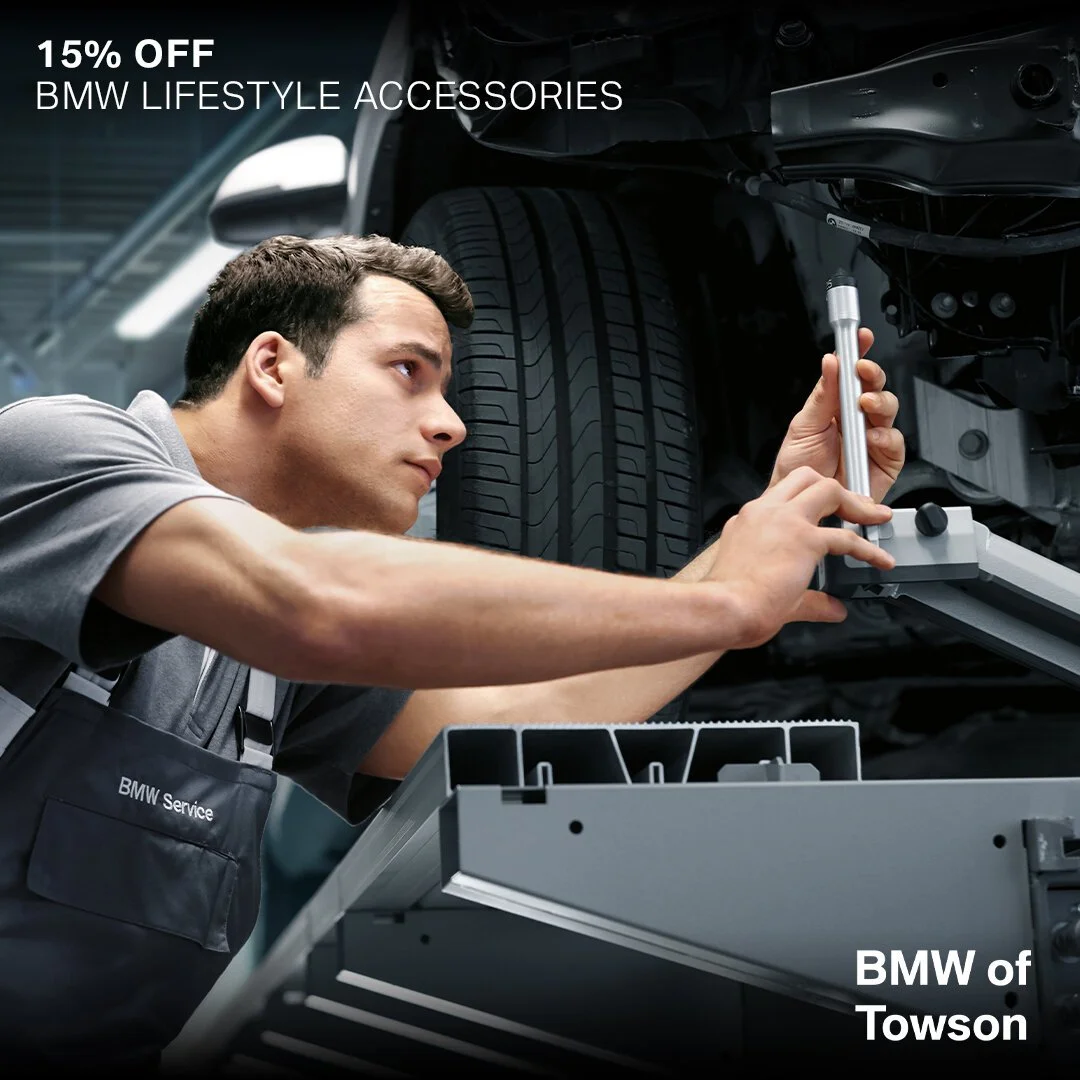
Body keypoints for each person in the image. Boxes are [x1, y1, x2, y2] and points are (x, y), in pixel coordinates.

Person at [0, 233, 903, 1069]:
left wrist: (763, 526)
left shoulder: (262, 667)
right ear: (272, 364)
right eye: (409, 372)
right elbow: (313, 600)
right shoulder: (53, 454)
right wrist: (729, 602)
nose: (452, 424)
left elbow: (522, 720)